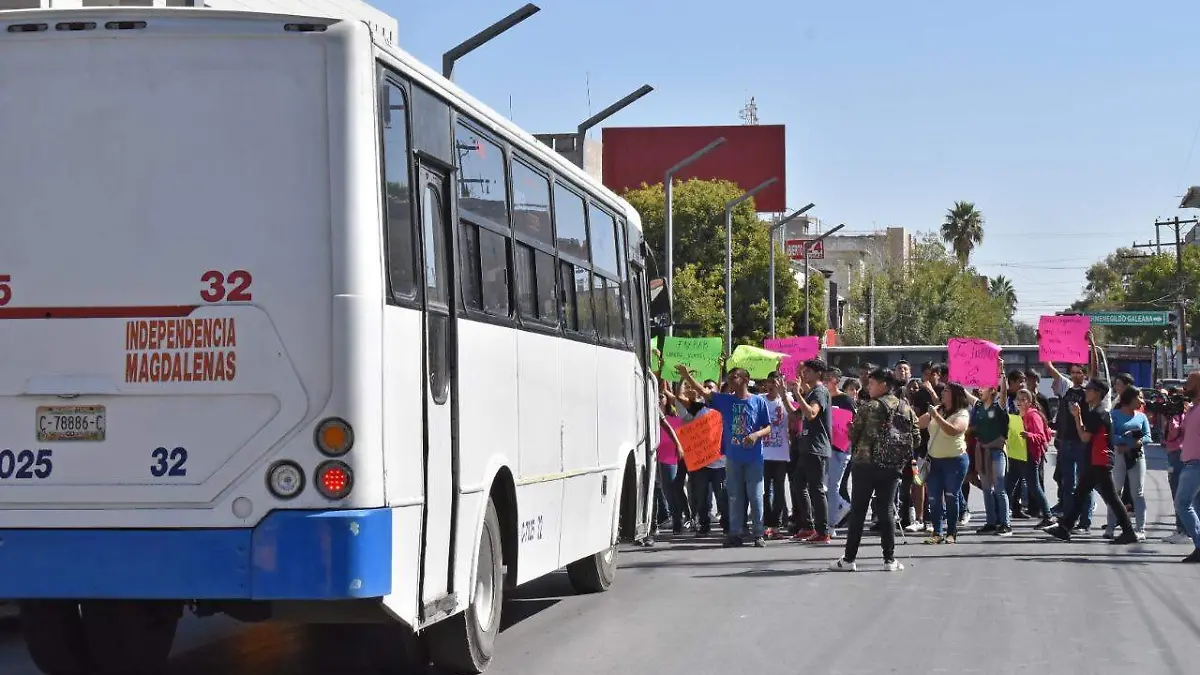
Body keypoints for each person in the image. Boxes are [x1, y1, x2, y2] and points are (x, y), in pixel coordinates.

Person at [829, 369, 920, 572]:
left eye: (872, 383)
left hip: (865, 465)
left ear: (885, 385)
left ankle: (849, 559)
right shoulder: (905, 408)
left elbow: (854, 435)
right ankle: (889, 560)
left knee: (859, 511)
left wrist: (853, 429)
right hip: (892, 466)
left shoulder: (869, 407)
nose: (868, 387)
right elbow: (916, 438)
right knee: (887, 511)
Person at [676, 364, 772, 548]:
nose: (730, 381)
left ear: (744, 380)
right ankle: (734, 533)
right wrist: (687, 376)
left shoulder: (758, 401)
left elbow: (768, 426)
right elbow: (703, 392)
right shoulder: (725, 400)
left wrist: (756, 435)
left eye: (734, 377)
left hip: (754, 459)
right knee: (734, 496)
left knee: (755, 495)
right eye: (728, 377)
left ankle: (758, 534)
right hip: (733, 458)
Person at [1044, 379, 1142, 544]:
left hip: (1099, 460)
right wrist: (1079, 416)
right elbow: (1087, 433)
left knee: (1108, 497)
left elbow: (1084, 437)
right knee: (1083, 493)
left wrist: (1076, 417)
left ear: (1097, 393)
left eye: (1089, 389)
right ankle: (1065, 527)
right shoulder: (1098, 412)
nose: (1086, 391)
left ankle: (1128, 531)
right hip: (1098, 459)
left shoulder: (1097, 414)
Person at [786, 358, 835, 544]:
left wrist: (798, 394)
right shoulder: (811, 392)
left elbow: (812, 414)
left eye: (807, 372)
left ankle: (822, 531)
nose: (803, 374)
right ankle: (808, 526)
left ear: (817, 374)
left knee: (816, 489)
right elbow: (795, 415)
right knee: (798, 483)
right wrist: (785, 395)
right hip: (806, 446)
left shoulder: (820, 391)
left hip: (817, 447)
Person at [919, 382, 971, 544]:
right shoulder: (938, 409)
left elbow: (953, 431)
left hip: (955, 461)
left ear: (955, 395)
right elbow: (918, 423)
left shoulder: (962, 413)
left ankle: (951, 533)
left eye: (946, 391)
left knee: (950, 496)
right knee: (934, 498)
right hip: (934, 461)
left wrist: (936, 416)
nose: (942, 393)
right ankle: (937, 532)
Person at [1105, 386, 1150, 539]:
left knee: (1138, 493)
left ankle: (1141, 529)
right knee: (1115, 491)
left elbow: (1148, 437)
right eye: (1139, 397)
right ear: (1130, 398)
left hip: (1137, 456)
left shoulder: (1141, 417)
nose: (1142, 401)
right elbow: (1110, 435)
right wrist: (1123, 441)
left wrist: (1134, 444)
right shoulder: (1114, 415)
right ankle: (1110, 527)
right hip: (1119, 456)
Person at [971, 374, 1012, 537]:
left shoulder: (999, 406)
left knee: (999, 488)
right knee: (987, 489)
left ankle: (1005, 524)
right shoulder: (979, 406)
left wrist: (1002, 375)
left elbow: (1004, 395)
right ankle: (991, 522)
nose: (980, 390)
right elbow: (966, 395)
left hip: (997, 452)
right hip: (983, 452)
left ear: (992, 390)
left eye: (984, 387)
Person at [1015, 389, 1055, 529]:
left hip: (1031, 455)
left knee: (1034, 487)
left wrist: (1028, 435)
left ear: (1030, 402)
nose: (1020, 402)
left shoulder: (1032, 416)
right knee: (1011, 483)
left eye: (1023, 399)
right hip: (1020, 455)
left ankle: (1048, 516)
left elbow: (1041, 437)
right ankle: (999, 516)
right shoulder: (1021, 415)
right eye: (1018, 399)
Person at [761, 372, 792, 539]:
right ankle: (766, 523)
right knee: (765, 491)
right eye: (771, 381)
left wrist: (785, 396)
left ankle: (776, 525)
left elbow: (795, 417)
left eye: (778, 381)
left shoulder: (787, 399)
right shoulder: (760, 399)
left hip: (781, 453)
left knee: (780, 490)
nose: (774, 384)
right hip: (763, 453)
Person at [1172, 372, 1200, 562]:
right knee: (1195, 507)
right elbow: (1179, 436)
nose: (1185, 386)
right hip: (1189, 462)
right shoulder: (1191, 409)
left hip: (1197, 465)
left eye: (1189, 382)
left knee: (1182, 504)